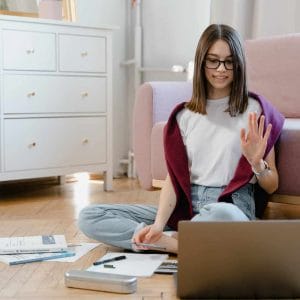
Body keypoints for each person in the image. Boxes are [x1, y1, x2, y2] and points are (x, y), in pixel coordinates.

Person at [78, 24, 284, 254]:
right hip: (185, 206)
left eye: (229, 61)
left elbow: (272, 183)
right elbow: (174, 181)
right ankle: (173, 241)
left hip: (230, 207)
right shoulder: (185, 115)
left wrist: (257, 164)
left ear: (239, 64)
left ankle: (169, 243)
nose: (221, 69)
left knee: (224, 216)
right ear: (201, 61)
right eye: (213, 60)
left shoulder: (256, 110)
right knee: (90, 216)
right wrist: (157, 224)